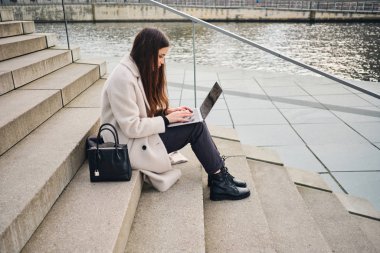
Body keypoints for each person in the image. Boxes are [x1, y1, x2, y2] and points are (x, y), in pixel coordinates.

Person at [100, 28, 250, 201]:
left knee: (194, 120)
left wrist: (166, 112)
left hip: (138, 138)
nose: (162, 62)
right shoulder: (122, 79)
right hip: (129, 147)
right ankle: (219, 181)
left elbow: (138, 113)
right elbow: (131, 127)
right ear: (147, 53)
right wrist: (165, 120)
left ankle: (219, 173)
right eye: (160, 56)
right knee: (196, 127)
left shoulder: (134, 69)